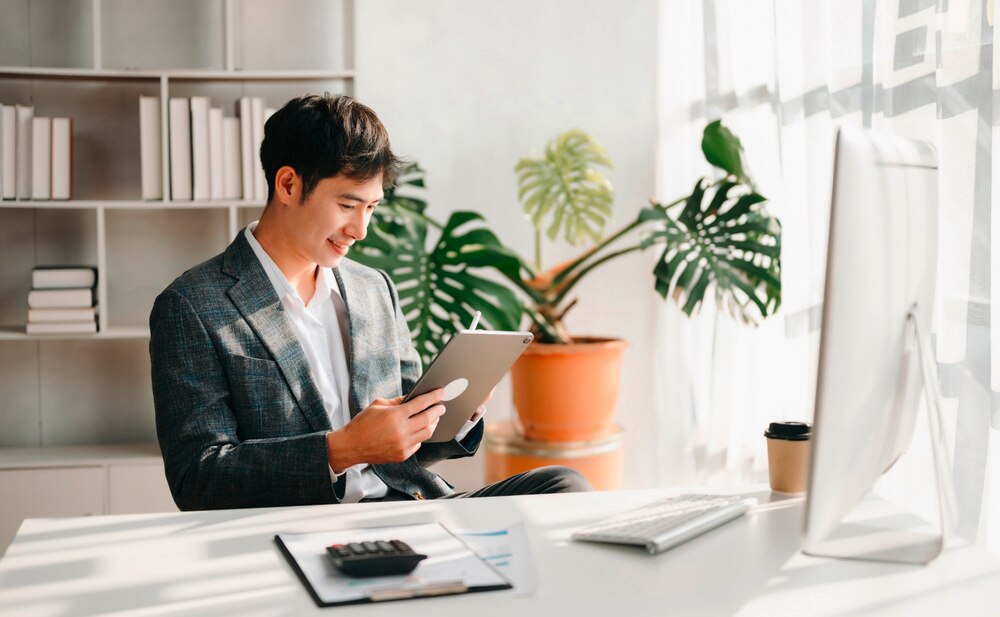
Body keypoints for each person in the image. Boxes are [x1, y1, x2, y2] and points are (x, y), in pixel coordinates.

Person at [149, 94, 591, 510]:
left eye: (372, 208)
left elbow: (408, 449)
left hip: (410, 509)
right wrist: (342, 450)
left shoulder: (372, 288)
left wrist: (457, 410)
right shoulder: (192, 306)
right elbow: (198, 478)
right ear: (287, 184)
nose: (361, 229)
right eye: (347, 204)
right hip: (302, 523)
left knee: (564, 487)